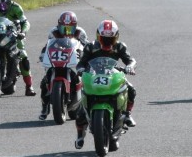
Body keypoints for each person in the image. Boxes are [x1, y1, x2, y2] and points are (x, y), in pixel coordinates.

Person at [74, 19, 137, 148]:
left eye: (110, 39)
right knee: (80, 110)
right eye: (104, 39)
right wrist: (80, 69)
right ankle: (80, 136)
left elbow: (130, 60)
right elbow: (81, 63)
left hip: (113, 76)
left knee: (131, 89)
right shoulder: (90, 46)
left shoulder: (120, 46)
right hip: (94, 76)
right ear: (98, 36)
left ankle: (127, 114)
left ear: (116, 37)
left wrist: (130, 66)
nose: (107, 42)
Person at [37, 10, 89, 120]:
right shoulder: (53, 32)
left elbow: (87, 46)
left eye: (69, 28)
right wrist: (43, 54)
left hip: (73, 59)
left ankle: (87, 106)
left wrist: (84, 55)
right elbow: (48, 45)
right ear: (59, 25)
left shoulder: (80, 32)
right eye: (63, 28)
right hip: (56, 59)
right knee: (44, 81)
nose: (66, 31)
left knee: (86, 79)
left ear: (75, 26)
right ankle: (45, 107)